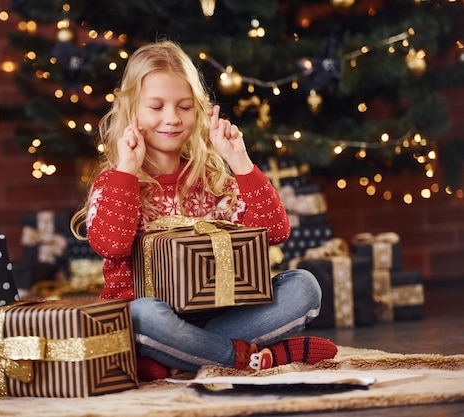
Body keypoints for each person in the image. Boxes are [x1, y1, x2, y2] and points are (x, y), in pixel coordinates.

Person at [71, 40, 337, 381]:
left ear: (197, 109)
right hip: (152, 317)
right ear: (132, 110)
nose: (172, 118)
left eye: (184, 106)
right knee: (140, 317)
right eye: (156, 106)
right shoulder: (115, 181)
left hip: (220, 313)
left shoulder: (212, 179)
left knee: (304, 287)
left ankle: (182, 358)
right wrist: (127, 171)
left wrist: (239, 161)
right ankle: (246, 358)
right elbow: (112, 245)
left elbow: (276, 231)